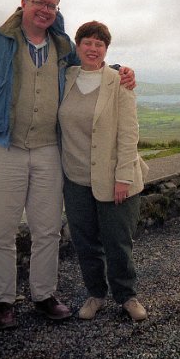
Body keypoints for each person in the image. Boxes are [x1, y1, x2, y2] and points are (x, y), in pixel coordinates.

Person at [0, 0, 135, 330]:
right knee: (1, 232)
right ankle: (2, 302)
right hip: (4, 148)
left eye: (52, 5)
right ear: (24, 2)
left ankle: (44, 296)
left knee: (47, 230)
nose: (45, 10)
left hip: (47, 151)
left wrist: (120, 70)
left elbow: (90, 67)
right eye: (39, 2)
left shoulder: (61, 45)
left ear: (57, 10)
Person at [58, 21, 149, 322]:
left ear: (106, 49)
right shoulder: (66, 78)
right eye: (87, 42)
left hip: (113, 178)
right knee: (85, 243)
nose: (93, 48)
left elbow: (129, 133)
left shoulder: (119, 81)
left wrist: (123, 177)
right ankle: (95, 294)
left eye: (99, 44)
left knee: (118, 243)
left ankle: (127, 296)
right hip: (75, 177)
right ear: (77, 46)